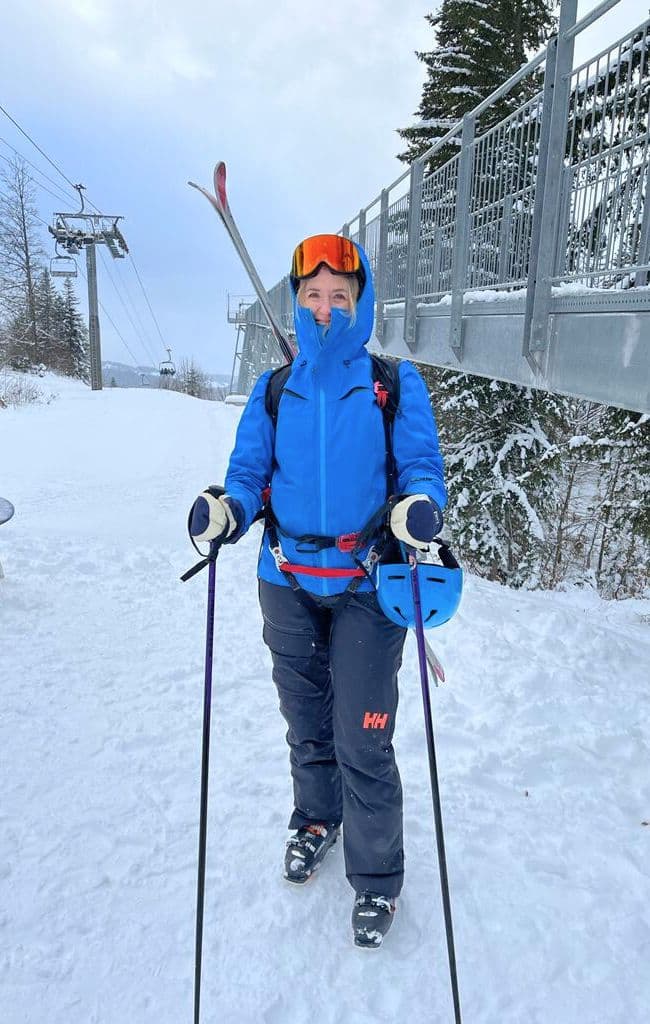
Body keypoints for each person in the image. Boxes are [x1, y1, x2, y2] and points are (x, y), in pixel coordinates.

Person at [189, 234, 446, 948]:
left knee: (363, 738)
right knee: (306, 725)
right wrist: (227, 510)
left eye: (341, 295)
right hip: (286, 581)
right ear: (298, 303)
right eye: (314, 295)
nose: (327, 308)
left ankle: (377, 878)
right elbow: (247, 473)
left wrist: (418, 507)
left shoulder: (393, 383)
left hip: (367, 584)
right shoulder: (278, 390)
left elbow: (423, 468)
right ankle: (315, 819)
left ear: (360, 303)